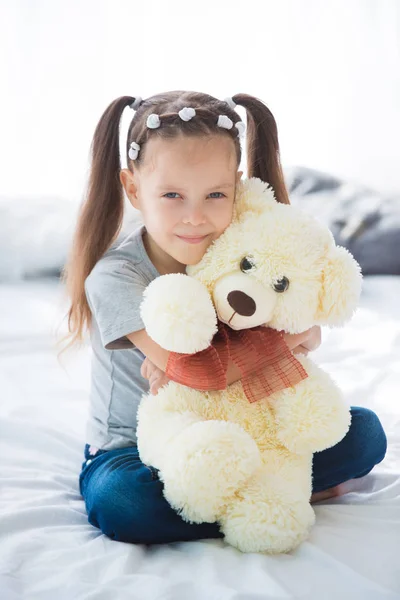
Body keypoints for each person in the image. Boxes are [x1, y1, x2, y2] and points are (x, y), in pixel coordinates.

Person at [63, 91, 387, 545]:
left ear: (237, 187)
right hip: (140, 451)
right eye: (172, 195)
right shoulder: (117, 276)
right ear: (134, 188)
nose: (195, 218)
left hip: (250, 434)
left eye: (215, 194)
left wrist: (298, 328)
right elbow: (200, 371)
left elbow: (291, 303)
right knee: (124, 503)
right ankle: (269, 499)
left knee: (366, 433)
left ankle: (235, 496)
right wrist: (297, 338)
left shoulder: (243, 248)